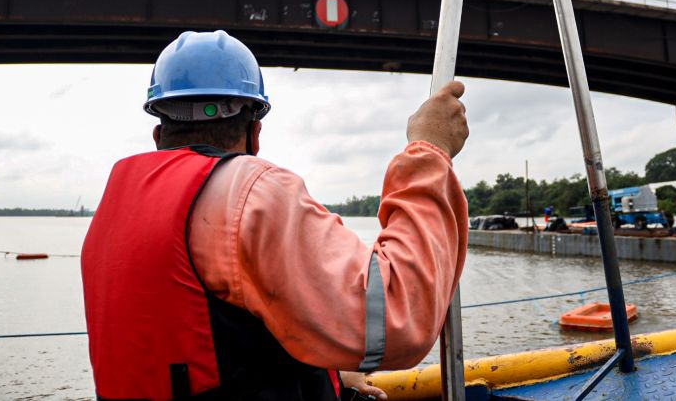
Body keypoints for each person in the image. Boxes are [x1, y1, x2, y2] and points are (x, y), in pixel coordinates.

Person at [81, 31, 470, 400]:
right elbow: (395, 320)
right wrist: (429, 152)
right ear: (255, 132)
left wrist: (329, 368)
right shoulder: (249, 194)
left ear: (157, 135)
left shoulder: (115, 204)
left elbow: (215, 340)